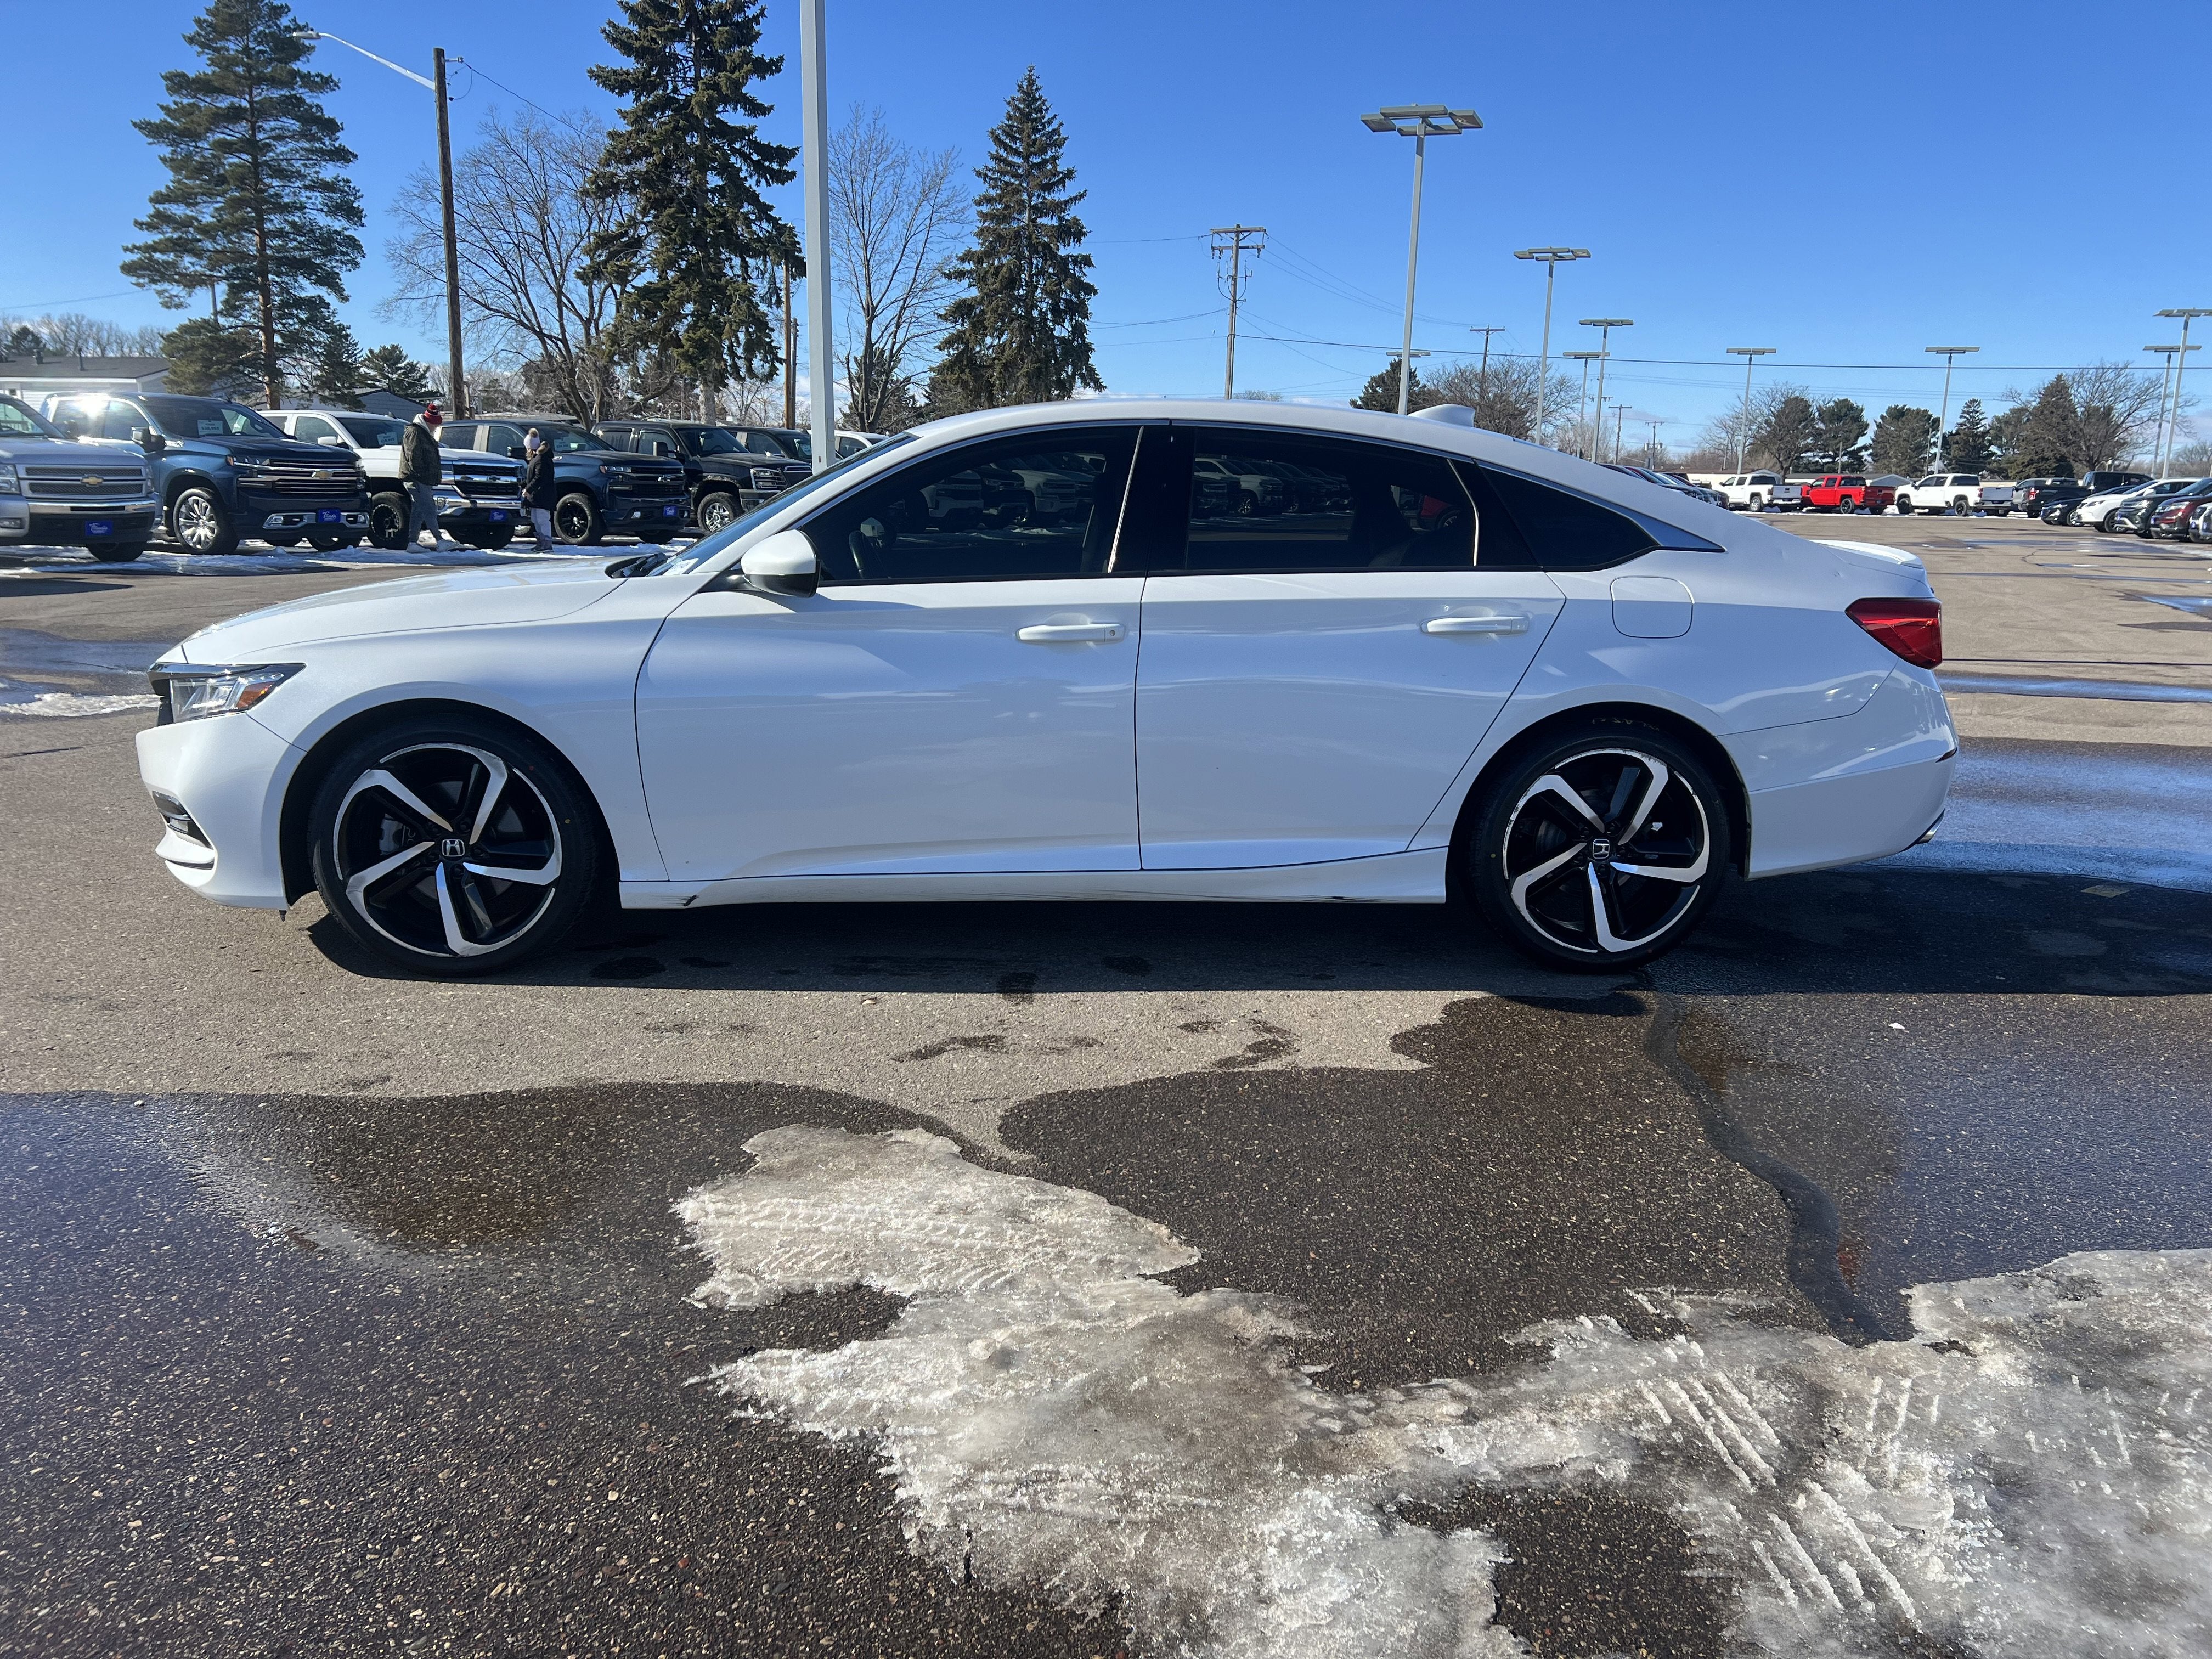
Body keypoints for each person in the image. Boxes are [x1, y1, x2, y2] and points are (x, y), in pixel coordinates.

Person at [399, 404, 447, 549]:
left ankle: (413, 543)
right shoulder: (415, 432)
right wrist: (420, 475)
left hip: (422, 479)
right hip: (418, 480)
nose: (435, 428)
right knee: (429, 509)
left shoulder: (423, 432)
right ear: (429, 422)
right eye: (434, 425)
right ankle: (440, 540)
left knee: (419, 511)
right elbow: (412, 456)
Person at [521, 427, 557, 551]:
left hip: (543, 495)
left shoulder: (542, 459)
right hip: (537, 496)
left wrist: (528, 489)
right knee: (536, 519)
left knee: (542, 519)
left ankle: (547, 542)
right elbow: (533, 477)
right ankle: (542, 541)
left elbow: (540, 477)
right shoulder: (537, 459)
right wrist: (524, 485)